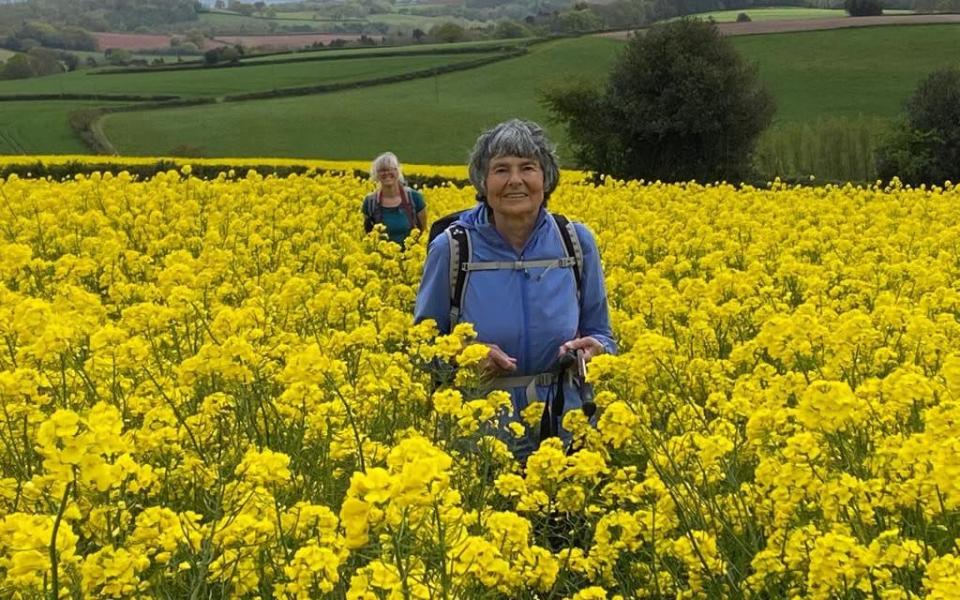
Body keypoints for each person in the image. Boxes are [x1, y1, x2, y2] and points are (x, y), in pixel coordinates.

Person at [414, 119, 616, 461]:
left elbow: (603, 334)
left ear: (546, 178)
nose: (515, 180)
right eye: (501, 170)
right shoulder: (452, 248)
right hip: (483, 432)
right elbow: (423, 344)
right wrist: (466, 356)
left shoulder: (576, 242)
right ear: (483, 180)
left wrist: (594, 350)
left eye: (528, 168)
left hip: (566, 427)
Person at [362, 152, 427, 245]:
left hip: (411, 256)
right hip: (381, 257)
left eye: (391, 169)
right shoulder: (370, 202)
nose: (387, 173)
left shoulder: (414, 198)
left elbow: (424, 231)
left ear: (398, 171)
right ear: (376, 174)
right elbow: (368, 234)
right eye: (382, 170)